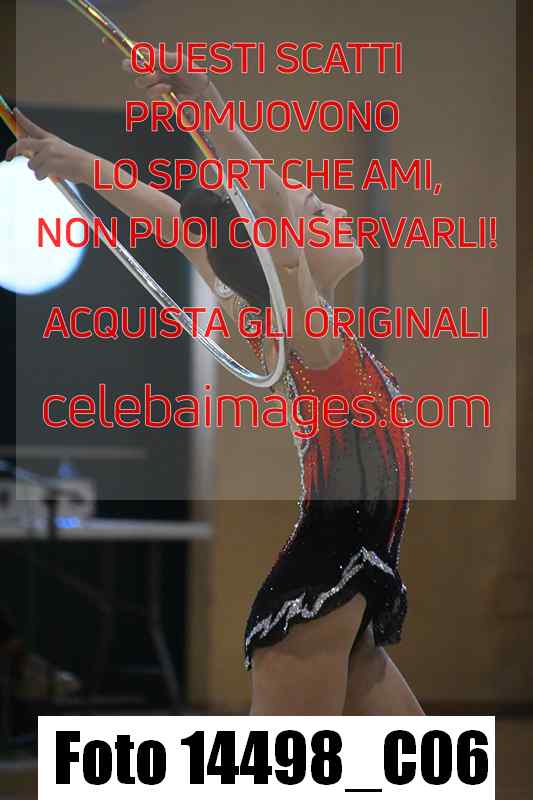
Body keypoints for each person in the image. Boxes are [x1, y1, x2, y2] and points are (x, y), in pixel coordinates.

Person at [5, 47, 424, 716]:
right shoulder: (309, 338)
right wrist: (207, 104)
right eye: (316, 207)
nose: (335, 208)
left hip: (350, 599)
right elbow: (254, 214)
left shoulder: (282, 326)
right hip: (322, 594)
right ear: (282, 249)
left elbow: (175, 222)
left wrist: (76, 163)